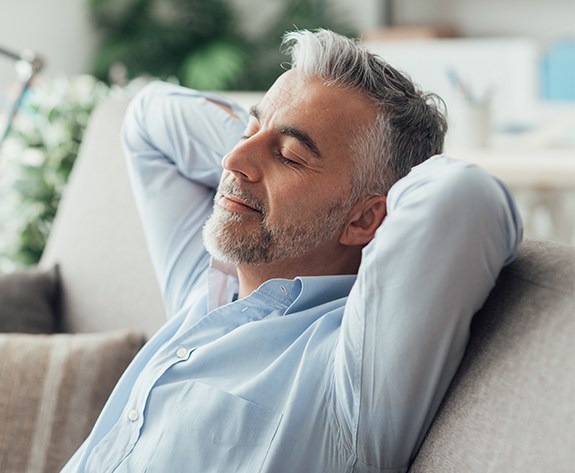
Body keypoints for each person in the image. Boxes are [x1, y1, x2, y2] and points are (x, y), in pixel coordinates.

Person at [61, 29, 522, 473]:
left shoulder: (353, 382)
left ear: (365, 220)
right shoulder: (206, 291)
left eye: (291, 156)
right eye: (248, 129)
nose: (232, 161)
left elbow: (462, 196)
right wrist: (268, 144)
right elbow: (150, 119)